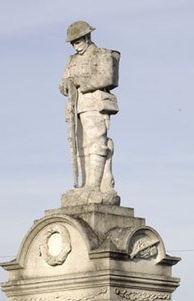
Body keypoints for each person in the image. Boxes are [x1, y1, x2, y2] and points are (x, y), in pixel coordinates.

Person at [59, 21, 120, 197]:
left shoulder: (102, 54)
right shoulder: (72, 60)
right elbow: (62, 84)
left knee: (96, 144)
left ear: (87, 37)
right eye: (72, 43)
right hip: (75, 107)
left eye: (77, 41)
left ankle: (94, 186)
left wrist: (81, 83)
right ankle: (85, 184)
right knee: (80, 147)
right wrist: (65, 85)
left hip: (95, 104)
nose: (75, 46)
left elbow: (108, 78)